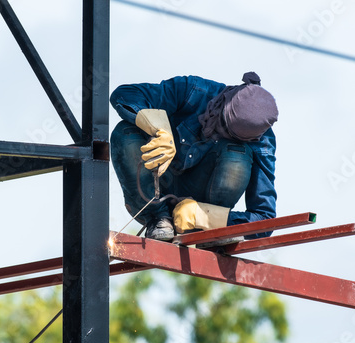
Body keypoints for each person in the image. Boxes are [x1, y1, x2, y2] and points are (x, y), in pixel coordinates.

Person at [110, 72, 278, 246]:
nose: (219, 133)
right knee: (125, 131)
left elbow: (264, 219)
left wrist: (204, 216)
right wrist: (159, 128)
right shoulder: (195, 91)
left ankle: (209, 231)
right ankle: (158, 218)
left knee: (237, 153)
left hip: (200, 204)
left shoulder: (263, 141)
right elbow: (124, 93)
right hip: (154, 187)